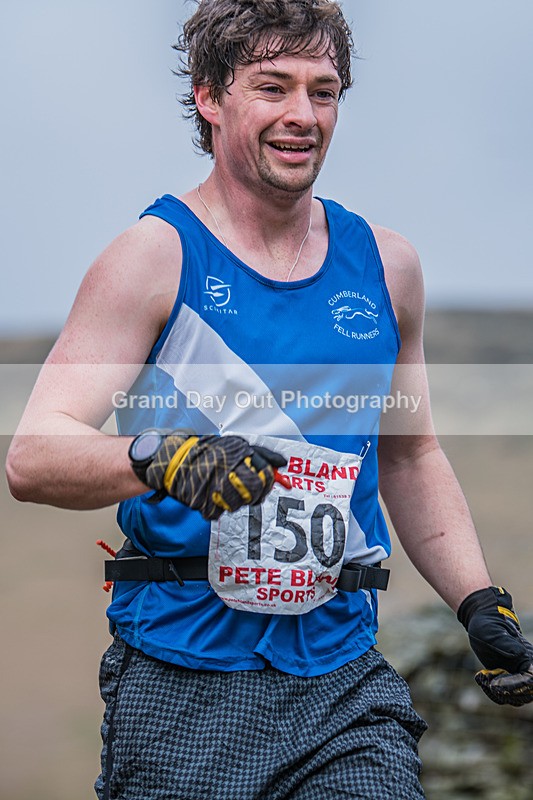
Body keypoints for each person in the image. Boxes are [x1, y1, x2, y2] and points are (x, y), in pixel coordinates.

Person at [6, 1, 533, 798]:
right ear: (210, 97)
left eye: (322, 92)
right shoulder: (152, 258)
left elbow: (409, 452)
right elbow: (34, 455)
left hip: (342, 683)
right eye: (273, 86)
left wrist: (476, 600)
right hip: (181, 682)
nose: (302, 116)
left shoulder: (386, 268)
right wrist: (161, 459)